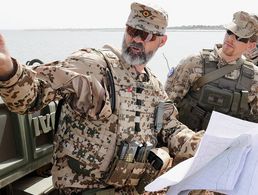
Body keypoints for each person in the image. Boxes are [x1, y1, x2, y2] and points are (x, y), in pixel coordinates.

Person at [0, 2, 203, 194]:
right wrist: (8, 70)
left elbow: (171, 128)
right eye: (133, 31)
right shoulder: (92, 66)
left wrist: (202, 144)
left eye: (147, 35)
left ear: (162, 41)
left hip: (132, 189)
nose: (137, 40)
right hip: (85, 189)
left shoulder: (154, 86)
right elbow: (31, 97)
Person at [165, 11, 258, 132]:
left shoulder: (254, 78)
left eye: (239, 37)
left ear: (251, 46)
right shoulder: (193, 63)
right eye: (230, 32)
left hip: (228, 147)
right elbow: (166, 105)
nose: (230, 38)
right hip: (185, 145)